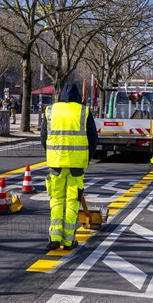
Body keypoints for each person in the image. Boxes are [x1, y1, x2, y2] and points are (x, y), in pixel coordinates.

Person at [41, 83, 98, 251]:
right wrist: (87, 159)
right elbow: (93, 139)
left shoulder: (50, 110)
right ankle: (68, 240)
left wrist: (52, 154)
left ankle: (54, 237)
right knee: (73, 201)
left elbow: (44, 137)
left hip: (56, 164)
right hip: (76, 165)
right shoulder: (83, 111)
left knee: (56, 200)